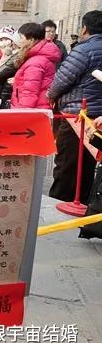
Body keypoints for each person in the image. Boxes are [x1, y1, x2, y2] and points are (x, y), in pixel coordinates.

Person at [48, 11, 102, 203]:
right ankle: (84, 201)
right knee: (88, 161)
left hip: (76, 115)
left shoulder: (83, 49)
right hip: (97, 117)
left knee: (67, 163)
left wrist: (50, 96)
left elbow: (63, 79)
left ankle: (60, 201)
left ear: (85, 28)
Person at [10, 23, 61, 109]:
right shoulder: (37, 58)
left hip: (32, 111)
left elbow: (29, 93)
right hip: (38, 108)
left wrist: (21, 114)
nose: (19, 41)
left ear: (31, 40)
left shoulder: (35, 62)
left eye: (21, 37)